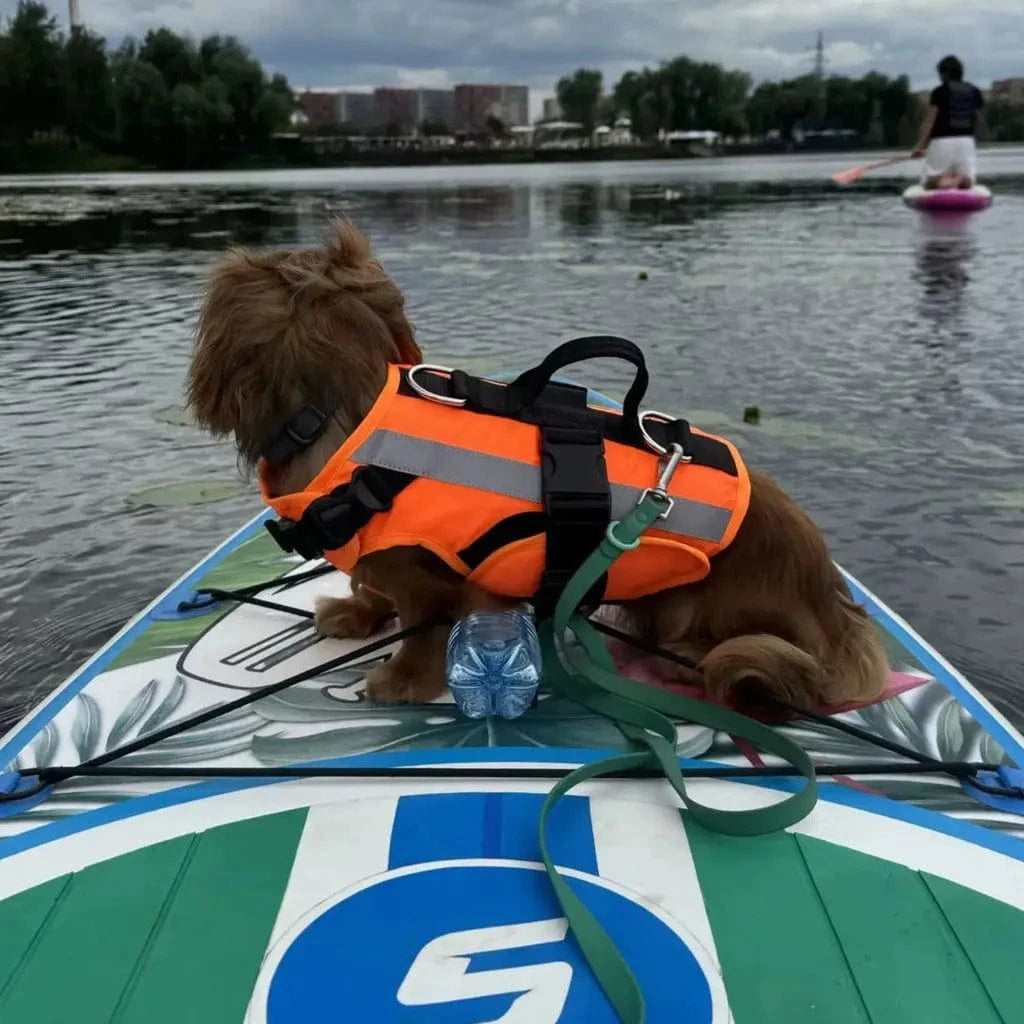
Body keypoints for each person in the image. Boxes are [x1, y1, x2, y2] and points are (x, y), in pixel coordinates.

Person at [911, 55, 984, 189]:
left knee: (929, 184)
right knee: (968, 183)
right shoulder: (975, 92)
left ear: (944, 74)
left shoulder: (940, 92)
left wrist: (919, 146)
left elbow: (929, 121)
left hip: (942, 143)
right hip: (967, 142)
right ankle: (961, 179)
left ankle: (952, 181)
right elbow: (976, 119)